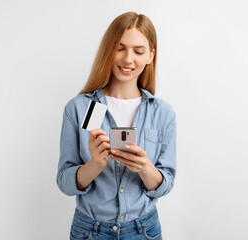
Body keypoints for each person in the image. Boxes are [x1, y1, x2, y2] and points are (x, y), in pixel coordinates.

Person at [57, 11, 176, 240]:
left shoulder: (162, 113)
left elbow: (165, 183)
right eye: (120, 48)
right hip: (89, 231)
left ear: (150, 56)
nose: (128, 59)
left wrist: (144, 167)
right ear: (108, 50)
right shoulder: (80, 108)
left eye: (138, 51)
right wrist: (95, 164)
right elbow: (64, 182)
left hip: (144, 230)